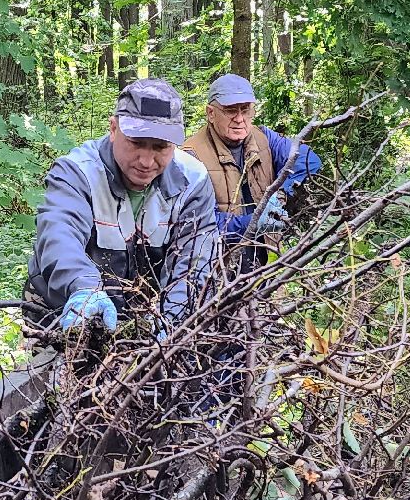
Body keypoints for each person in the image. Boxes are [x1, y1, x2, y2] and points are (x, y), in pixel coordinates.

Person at [25, 78, 218, 334]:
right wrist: (83, 287)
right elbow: (59, 236)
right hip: (63, 305)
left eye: (161, 147)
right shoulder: (78, 172)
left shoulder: (192, 181)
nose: (147, 161)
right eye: (137, 143)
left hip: (143, 315)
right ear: (113, 129)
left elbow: (194, 264)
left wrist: (172, 323)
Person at [183, 73, 323, 271]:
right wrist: (252, 223)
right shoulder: (191, 156)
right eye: (230, 111)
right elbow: (198, 224)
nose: (239, 119)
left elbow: (309, 160)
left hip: (267, 260)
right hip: (215, 267)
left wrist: (281, 194)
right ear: (211, 113)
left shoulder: (263, 138)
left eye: (245, 110)